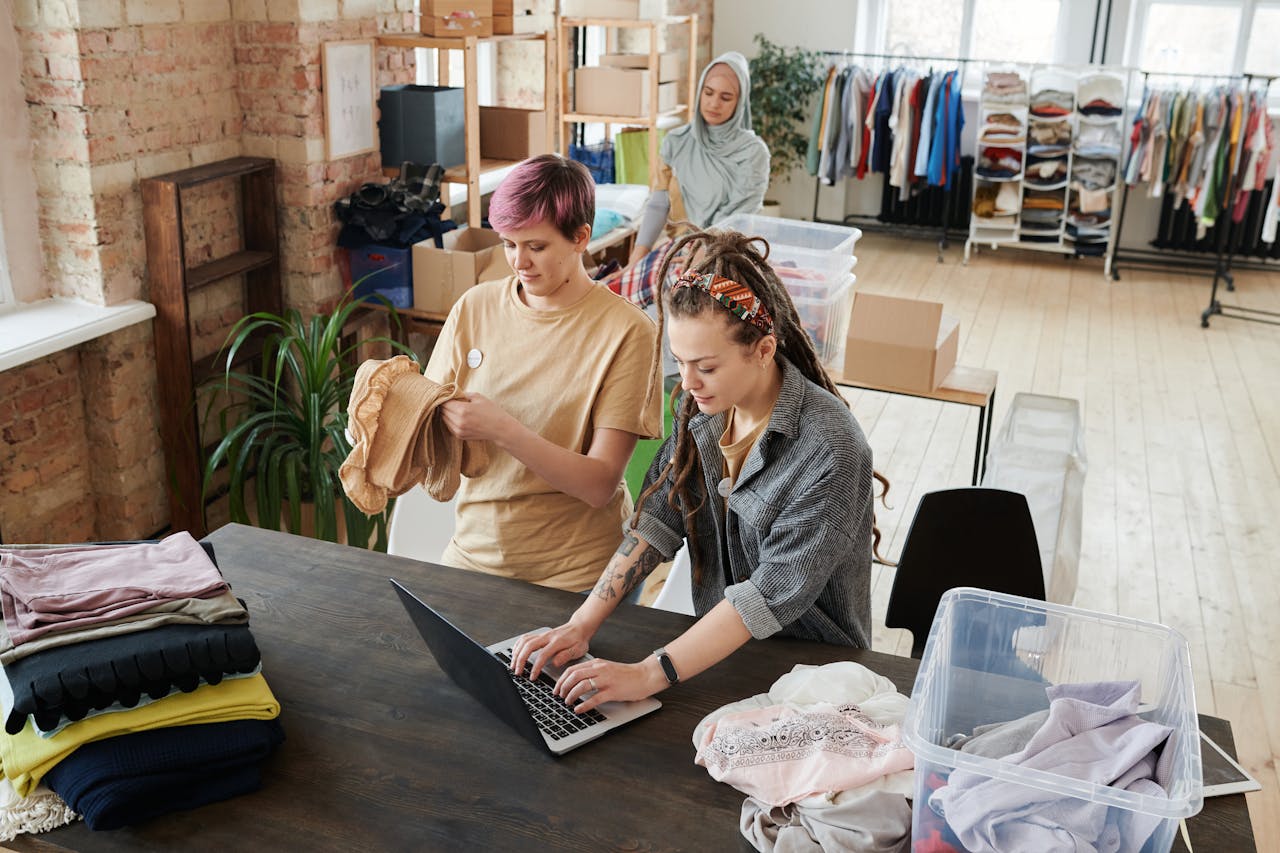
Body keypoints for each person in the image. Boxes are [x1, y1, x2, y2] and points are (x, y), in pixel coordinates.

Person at [511, 227, 877, 712]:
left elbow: (764, 597)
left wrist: (647, 673)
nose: (688, 383)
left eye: (705, 366)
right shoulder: (705, 412)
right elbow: (657, 521)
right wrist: (580, 625)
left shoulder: (830, 448)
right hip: (719, 659)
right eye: (680, 362)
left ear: (764, 350)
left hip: (814, 685)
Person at [424, 154, 662, 592]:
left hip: (578, 581)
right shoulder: (475, 308)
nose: (519, 261)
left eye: (536, 246)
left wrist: (502, 429)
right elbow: (428, 423)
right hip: (473, 558)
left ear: (580, 238)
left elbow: (599, 483)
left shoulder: (627, 331)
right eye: (509, 244)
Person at [613, 52, 770, 307]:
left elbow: (737, 218)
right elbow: (658, 204)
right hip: (683, 247)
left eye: (726, 97)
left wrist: (698, 259)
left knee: (680, 309)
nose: (713, 103)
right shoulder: (677, 142)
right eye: (708, 93)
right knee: (616, 296)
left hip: (727, 255)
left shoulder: (753, 153)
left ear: (740, 103)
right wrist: (634, 263)